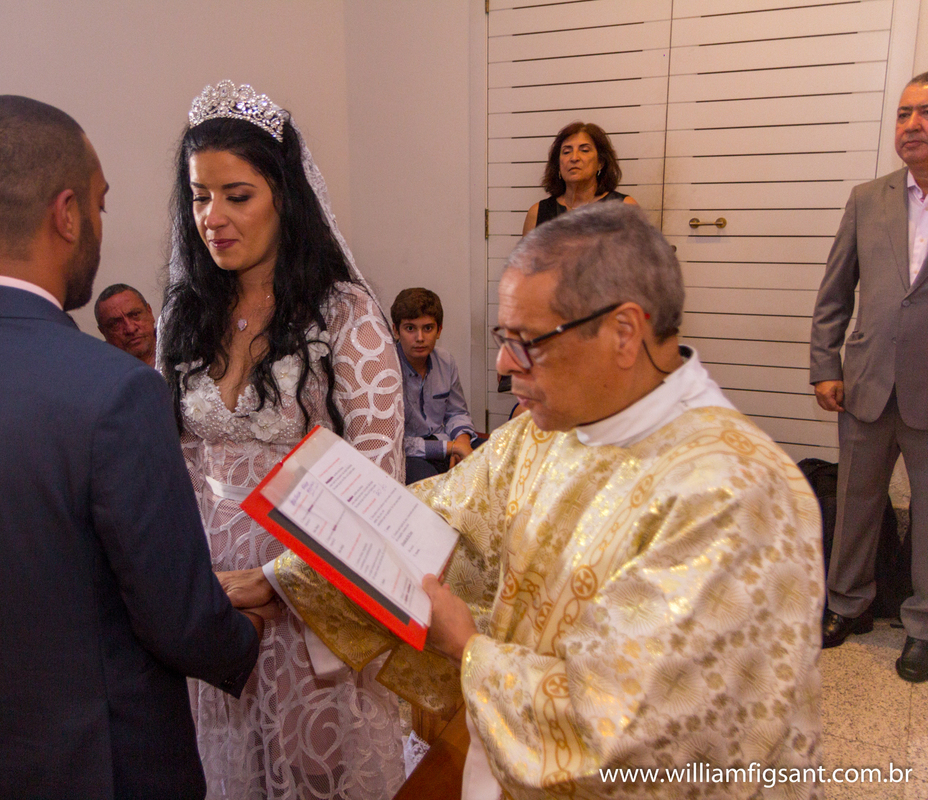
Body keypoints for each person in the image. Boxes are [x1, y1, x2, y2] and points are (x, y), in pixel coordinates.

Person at [265, 204, 824, 798]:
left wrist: (468, 649)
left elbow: (645, 732)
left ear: (624, 334)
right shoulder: (545, 430)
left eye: (526, 341)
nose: (503, 365)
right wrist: (285, 574)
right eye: (504, 338)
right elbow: (441, 516)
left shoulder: (736, 494)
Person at [0, 95, 262, 800]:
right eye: (100, 205)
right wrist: (250, 631)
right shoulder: (111, 390)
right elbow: (177, 619)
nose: (100, 226)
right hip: (106, 759)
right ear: (67, 212)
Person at [159, 80, 405, 799]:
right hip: (215, 598)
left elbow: (378, 480)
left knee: (314, 768)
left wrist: (277, 581)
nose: (213, 218)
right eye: (200, 197)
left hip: (309, 592)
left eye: (237, 196)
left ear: (284, 197)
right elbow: (166, 460)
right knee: (227, 765)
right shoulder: (186, 316)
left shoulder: (344, 315)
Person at [811, 72, 928, 682]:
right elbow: (834, 291)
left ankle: (922, 626)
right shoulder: (867, 198)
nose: (912, 125)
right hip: (866, 383)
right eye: (904, 114)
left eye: (925, 113)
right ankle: (846, 603)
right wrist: (824, 365)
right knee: (856, 501)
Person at [391, 287, 480, 483]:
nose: (420, 338)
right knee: (432, 483)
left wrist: (462, 442)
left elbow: (457, 412)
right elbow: (393, 442)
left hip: (446, 442)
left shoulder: (446, 361)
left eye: (428, 328)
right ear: (396, 331)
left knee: (495, 456)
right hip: (411, 455)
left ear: (439, 330)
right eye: (410, 328)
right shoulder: (386, 369)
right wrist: (451, 448)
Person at [521, 121, 638, 235]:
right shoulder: (537, 213)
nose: (574, 158)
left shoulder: (625, 208)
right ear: (558, 164)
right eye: (566, 152)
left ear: (600, 162)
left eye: (584, 150)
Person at [94, 283, 156, 366]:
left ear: (149, 312)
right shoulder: (98, 369)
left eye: (135, 315)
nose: (131, 329)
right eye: (115, 324)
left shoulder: (173, 343)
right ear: (103, 332)